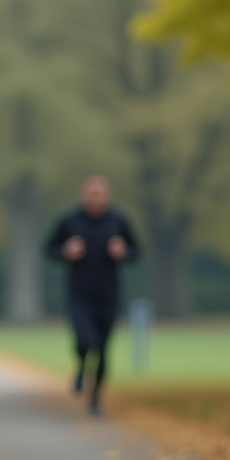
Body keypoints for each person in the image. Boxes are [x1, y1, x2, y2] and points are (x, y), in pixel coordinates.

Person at [45, 173, 139, 415]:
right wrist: (66, 251)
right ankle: (80, 365)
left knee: (104, 348)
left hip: (109, 294)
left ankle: (95, 397)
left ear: (107, 195)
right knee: (85, 340)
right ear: (84, 194)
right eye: (92, 192)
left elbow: (137, 251)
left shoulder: (118, 221)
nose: (96, 197)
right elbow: (49, 249)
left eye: (100, 192)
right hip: (79, 294)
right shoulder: (70, 221)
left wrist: (123, 252)